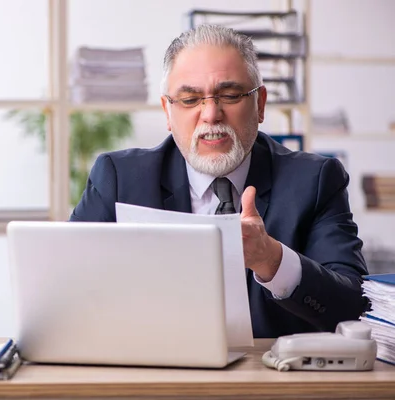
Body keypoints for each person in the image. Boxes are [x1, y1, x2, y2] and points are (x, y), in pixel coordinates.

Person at [69, 25, 369, 338]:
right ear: (167, 113)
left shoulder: (316, 182)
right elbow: (64, 287)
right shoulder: (118, 179)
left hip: (271, 381)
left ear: (260, 104)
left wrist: (272, 260)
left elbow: (353, 307)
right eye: (189, 99)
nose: (211, 114)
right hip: (150, 374)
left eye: (229, 95)